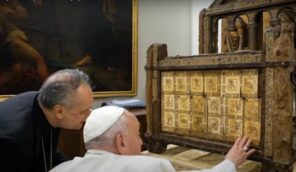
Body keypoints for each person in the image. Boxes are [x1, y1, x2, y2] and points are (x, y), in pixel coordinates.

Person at [50, 106, 255, 172]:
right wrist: (230, 162)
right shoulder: (150, 167)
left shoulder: (59, 169)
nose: (142, 142)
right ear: (121, 141)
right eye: (138, 134)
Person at [0, 69, 94, 172]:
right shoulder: (12, 139)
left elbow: (49, 154)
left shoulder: (46, 105)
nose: (89, 115)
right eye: (83, 111)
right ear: (59, 111)